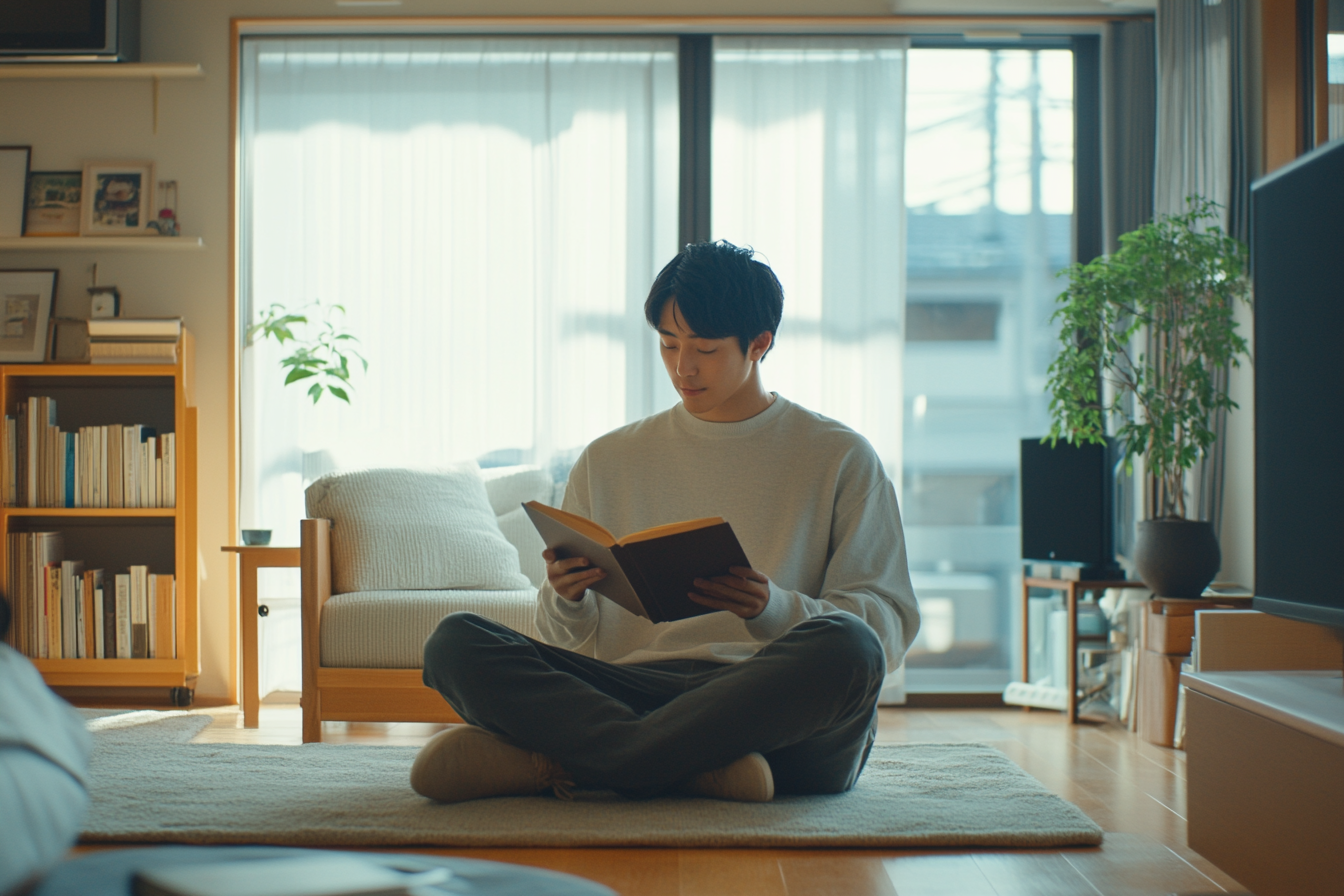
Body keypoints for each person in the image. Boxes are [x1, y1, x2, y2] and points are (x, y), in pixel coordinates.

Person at [413, 240, 919, 803]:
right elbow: (569, 642)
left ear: (759, 344)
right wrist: (566, 599)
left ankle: (580, 762)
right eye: (668, 344)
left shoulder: (839, 456)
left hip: (769, 698)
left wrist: (772, 607)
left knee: (849, 647)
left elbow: (887, 628)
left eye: (703, 348)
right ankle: (694, 768)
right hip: (634, 688)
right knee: (455, 642)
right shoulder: (609, 459)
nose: (682, 367)